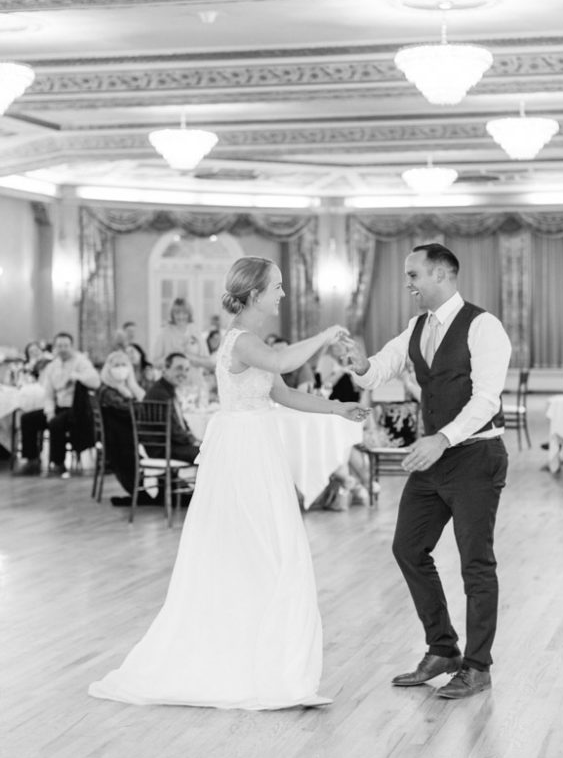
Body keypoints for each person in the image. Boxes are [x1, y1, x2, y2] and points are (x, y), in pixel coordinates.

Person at [89, 256, 367, 711]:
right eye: (276, 287)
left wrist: (337, 408)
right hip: (242, 453)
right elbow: (281, 360)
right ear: (255, 294)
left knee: (273, 547)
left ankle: (271, 662)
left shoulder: (251, 340)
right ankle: (248, 664)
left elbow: (283, 392)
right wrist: (325, 335)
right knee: (254, 547)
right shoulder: (241, 340)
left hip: (260, 447)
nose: (281, 293)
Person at [345, 243, 511, 700]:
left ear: (441, 274)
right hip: (433, 457)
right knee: (408, 547)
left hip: (476, 457)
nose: (408, 284)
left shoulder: (484, 326)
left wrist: (441, 438)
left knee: (476, 564)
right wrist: (359, 364)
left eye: (414, 275)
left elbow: (486, 401)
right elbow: (380, 368)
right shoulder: (417, 326)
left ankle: (478, 666)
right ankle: (443, 649)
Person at [97, 350, 157, 508]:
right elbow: (128, 410)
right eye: (116, 365)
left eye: (124, 365)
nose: (120, 368)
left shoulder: (130, 388)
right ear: (108, 368)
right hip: (119, 439)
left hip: (132, 434)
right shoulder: (107, 390)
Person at [41, 332, 100, 477]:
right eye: (59, 345)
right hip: (57, 406)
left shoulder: (81, 361)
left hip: (76, 409)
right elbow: (48, 394)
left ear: (71, 346)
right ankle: (31, 459)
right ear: (55, 347)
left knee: (56, 424)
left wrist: (78, 376)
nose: (62, 349)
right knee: (28, 419)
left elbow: (95, 381)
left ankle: (58, 463)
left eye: (66, 345)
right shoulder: (52, 366)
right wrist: (49, 412)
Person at [144, 353, 202, 464]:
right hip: (162, 449)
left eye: (186, 369)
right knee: (209, 454)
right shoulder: (159, 394)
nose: (183, 373)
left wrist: (194, 440)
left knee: (209, 450)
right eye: (179, 368)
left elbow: (180, 425)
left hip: (170, 446)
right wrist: (194, 441)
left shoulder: (166, 390)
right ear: (165, 369)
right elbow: (174, 430)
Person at [151, 298, 212, 389]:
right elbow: (155, 363)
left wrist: (189, 357)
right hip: (172, 387)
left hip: (195, 385)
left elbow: (208, 362)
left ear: (189, 314)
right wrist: (173, 357)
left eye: (184, 313)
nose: (181, 316)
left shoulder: (195, 332)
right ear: (172, 314)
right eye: (177, 313)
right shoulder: (164, 333)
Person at [13, 341, 52, 476]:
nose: (34, 353)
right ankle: (31, 458)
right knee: (26, 419)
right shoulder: (24, 368)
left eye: (36, 350)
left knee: (31, 418)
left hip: (52, 405)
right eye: (31, 351)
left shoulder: (49, 364)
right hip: (35, 403)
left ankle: (52, 460)